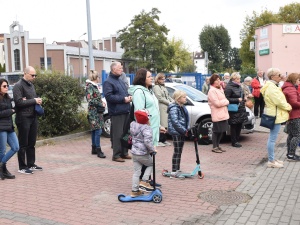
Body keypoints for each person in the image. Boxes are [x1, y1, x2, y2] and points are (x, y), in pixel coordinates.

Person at [129, 68, 166, 188]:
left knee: (149, 155)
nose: (151, 78)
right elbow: (140, 113)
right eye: (149, 76)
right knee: (145, 156)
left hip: (153, 128)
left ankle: (147, 180)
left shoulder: (148, 90)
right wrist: (148, 127)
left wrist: (158, 125)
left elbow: (153, 110)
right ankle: (143, 181)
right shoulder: (139, 91)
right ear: (142, 78)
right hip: (145, 129)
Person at [13, 66, 43, 174]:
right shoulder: (18, 86)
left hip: (33, 117)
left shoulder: (31, 85)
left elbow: (27, 101)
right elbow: (19, 102)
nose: (34, 77)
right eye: (32, 75)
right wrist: (33, 100)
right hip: (23, 118)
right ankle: (22, 166)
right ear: (25, 74)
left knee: (31, 143)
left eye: (35, 75)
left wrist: (36, 101)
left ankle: (31, 164)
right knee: (23, 143)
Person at [260, 68, 291, 168]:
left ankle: (272, 158)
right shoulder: (271, 87)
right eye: (278, 75)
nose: (280, 76)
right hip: (275, 115)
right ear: (272, 76)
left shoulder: (272, 86)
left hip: (275, 114)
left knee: (272, 138)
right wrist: (288, 107)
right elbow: (279, 101)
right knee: (272, 139)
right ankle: (271, 160)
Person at [103, 62, 132, 162]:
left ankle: (124, 152)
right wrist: (123, 99)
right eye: (120, 68)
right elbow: (109, 96)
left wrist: (129, 97)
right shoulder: (108, 82)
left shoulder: (120, 80)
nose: (122, 70)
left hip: (125, 110)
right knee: (118, 134)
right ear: (113, 69)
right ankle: (116, 155)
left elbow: (124, 92)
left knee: (125, 134)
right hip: (116, 112)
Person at [130, 109, 155, 197]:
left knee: (137, 172)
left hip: (134, 152)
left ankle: (135, 190)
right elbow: (147, 141)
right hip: (143, 153)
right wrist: (153, 150)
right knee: (151, 164)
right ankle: (144, 181)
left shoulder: (133, 125)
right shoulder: (146, 128)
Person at [167, 90, 189, 178]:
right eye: (184, 97)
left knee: (179, 151)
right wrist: (184, 130)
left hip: (181, 131)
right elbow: (175, 122)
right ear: (178, 98)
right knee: (177, 151)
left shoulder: (181, 107)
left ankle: (177, 168)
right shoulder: (174, 108)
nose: (185, 98)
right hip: (176, 132)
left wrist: (185, 130)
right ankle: (173, 170)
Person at [0, 79, 19, 179]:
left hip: (9, 127)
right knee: (2, 151)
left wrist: (19, 103)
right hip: (1, 128)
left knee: (16, 147)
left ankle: (1, 165)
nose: (7, 87)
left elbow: (14, 109)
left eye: (7, 85)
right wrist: (9, 111)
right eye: (4, 86)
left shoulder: (8, 98)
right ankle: (3, 171)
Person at [85, 70, 106, 158]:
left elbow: (95, 98)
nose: (99, 78)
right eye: (98, 77)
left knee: (95, 130)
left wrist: (101, 101)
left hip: (97, 111)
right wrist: (101, 103)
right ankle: (98, 149)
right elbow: (90, 100)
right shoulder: (90, 86)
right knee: (98, 130)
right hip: (94, 112)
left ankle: (94, 148)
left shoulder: (94, 86)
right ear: (96, 78)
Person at [224, 72, 248, 148]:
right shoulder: (229, 87)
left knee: (239, 124)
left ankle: (237, 139)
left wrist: (244, 98)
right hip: (233, 109)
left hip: (240, 108)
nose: (239, 80)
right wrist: (237, 100)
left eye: (239, 78)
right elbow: (227, 98)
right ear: (234, 79)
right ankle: (234, 141)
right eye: (238, 78)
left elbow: (241, 94)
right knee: (234, 125)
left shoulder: (239, 86)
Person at [207, 74, 229, 153]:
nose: (218, 81)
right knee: (216, 131)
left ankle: (218, 145)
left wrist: (225, 101)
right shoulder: (211, 91)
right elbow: (217, 103)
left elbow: (223, 100)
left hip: (223, 112)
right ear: (213, 81)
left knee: (222, 130)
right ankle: (214, 146)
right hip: (217, 113)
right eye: (216, 80)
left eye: (219, 79)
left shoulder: (220, 89)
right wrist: (226, 102)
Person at [281, 73, 300, 161]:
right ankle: (291, 154)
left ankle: (289, 153)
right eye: (298, 80)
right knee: (297, 135)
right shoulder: (291, 89)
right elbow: (294, 103)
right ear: (294, 80)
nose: (299, 82)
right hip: (295, 114)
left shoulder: (287, 87)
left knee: (291, 135)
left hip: (291, 115)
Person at [153, 73, 173, 147]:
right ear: (158, 79)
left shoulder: (163, 87)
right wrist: (169, 103)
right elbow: (159, 98)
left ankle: (164, 139)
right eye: (162, 79)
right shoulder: (156, 87)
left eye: (164, 79)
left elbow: (168, 96)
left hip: (166, 107)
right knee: (162, 123)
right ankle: (159, 140)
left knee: (165, 124)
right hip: (161, 107)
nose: (163, 80)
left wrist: (173, 102)